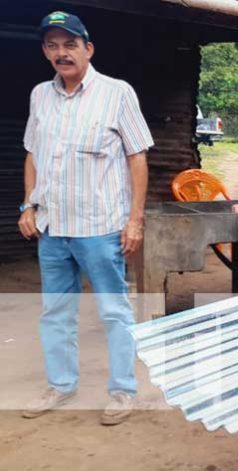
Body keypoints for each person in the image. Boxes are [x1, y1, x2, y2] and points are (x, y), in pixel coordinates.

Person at [18, 11, 154, 425]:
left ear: (88, 49)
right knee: (56, 311)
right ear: (45, 51)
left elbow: (138, 158)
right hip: (53, 228)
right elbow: (32, 154)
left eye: (70, 44)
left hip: (99, 228)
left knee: (114, 310)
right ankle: (61, 385)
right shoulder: (40, 95)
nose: (62, 53)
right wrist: (29, 204)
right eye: (53, 45)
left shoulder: (117, 93)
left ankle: (122, 391)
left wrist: (135, 220)